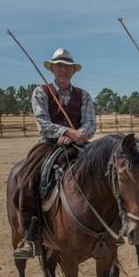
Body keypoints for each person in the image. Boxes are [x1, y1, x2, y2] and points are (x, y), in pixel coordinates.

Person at [13, 47, 96, 259]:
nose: (63, 70)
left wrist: (77, 135)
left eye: (67, 67)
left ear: (73, 71)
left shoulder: (83, 95)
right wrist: (66, 131)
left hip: (78, 145)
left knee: (105, 173)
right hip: (49, 145)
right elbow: (43, 124)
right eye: (59, 66)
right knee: (26, 180)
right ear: (53, 69)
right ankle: (30, 236)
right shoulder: (41, 92)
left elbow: (90, 124)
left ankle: (112, 228)